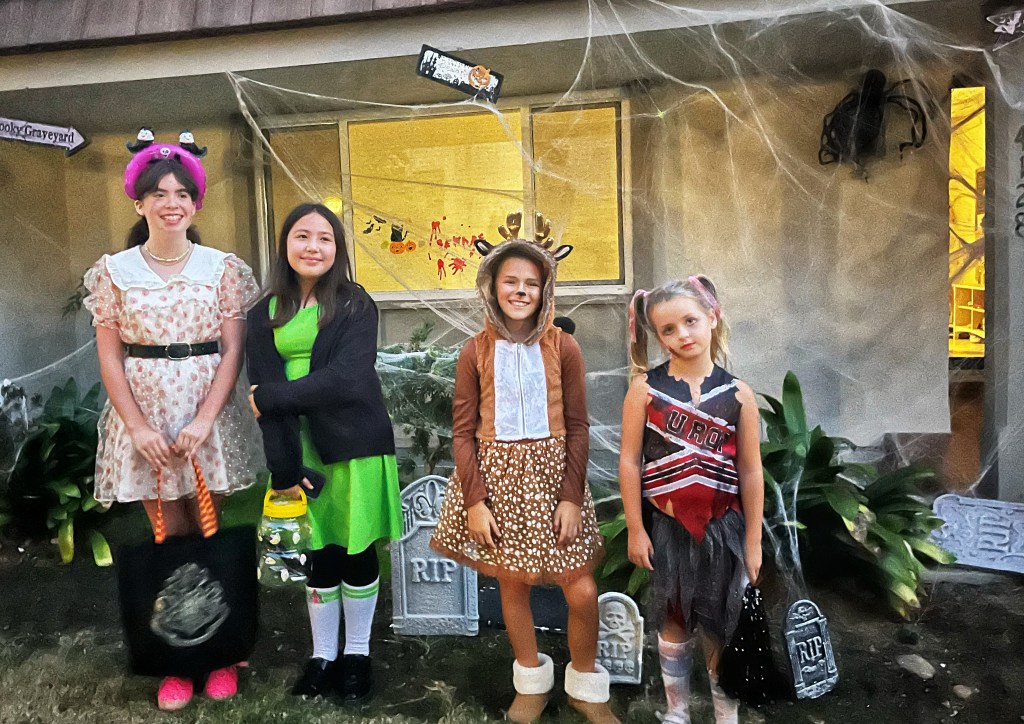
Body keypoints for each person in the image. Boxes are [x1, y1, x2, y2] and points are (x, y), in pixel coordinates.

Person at [84, 131, 262, 711]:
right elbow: (110, 358)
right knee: (169, 533)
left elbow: (232, 351)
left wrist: (206, 419)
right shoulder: (113, 272)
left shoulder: (222, 269)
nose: (171, 203)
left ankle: (221, 651)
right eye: (158, 193)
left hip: (205, 414)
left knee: (210, 532)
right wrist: (138, 428)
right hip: (145, 418)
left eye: (182, 193)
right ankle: (178, 658)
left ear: (196, 203)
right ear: (138, 202)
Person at [431, 214, 617, 724]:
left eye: (531, 283)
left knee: (581, 589)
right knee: (512, 585)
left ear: (545, 289)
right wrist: (475, 502)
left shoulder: (564, 347)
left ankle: (585, 684)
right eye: (510, 281)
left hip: (554, 484)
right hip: (499, 486)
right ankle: (530, 679)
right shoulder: (474, 352)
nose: (520, 291)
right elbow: (463, 432)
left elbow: (577, 426)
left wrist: (571, 497)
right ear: (492, 286)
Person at [246, 203, 402, 704]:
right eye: (302, 236)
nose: (313, 246)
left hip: (355, 444)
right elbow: (261, 391)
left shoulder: (355, 304)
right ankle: (323, 656)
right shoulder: (263, 313)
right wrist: (284, 469)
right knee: (318, 553)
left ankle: (357, 654)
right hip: (300, 448)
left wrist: (273, 397)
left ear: (337, 249)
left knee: (355, 551)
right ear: (285, 245)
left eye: (324, 238)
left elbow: (347, 378)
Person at [618, 277, 764, 724]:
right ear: (656, 336)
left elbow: (751, 471)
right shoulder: (645, 390)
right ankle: (677, 711)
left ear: (712, 317)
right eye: (668, 329)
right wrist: (636, 528)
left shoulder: (738, 394)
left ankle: (725, 715)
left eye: (691, 321)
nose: (682, 334)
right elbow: (629, 462)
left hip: (724, 529)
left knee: (721, 625)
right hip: (668, 528)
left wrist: (753, 541)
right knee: (674, 620)